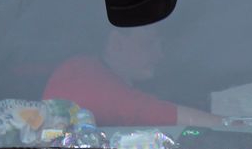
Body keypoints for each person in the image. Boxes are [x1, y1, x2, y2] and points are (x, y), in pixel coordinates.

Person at [41, 25, 218, 126]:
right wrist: (228, 124)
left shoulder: (81, 66)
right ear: (116, 43)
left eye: (160, 45)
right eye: (148, 44)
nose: (160, 55)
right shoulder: (87, 79)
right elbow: (155, 112)